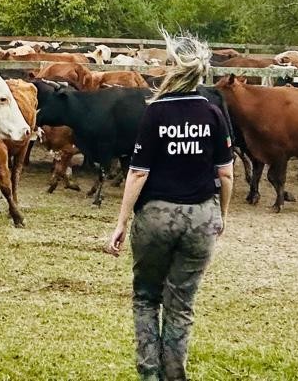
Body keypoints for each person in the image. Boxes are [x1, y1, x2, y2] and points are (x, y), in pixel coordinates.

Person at [105, 33, 234, 381]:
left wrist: (121, 222)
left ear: (172, 69)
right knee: (181, 305)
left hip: (156, 216)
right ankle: (175, 375)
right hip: (201, 217)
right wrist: (221, 215)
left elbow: (138, 173)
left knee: (146, 297)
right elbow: (225, 174)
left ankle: (149, 374)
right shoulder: (213, 112)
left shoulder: (155, 112)